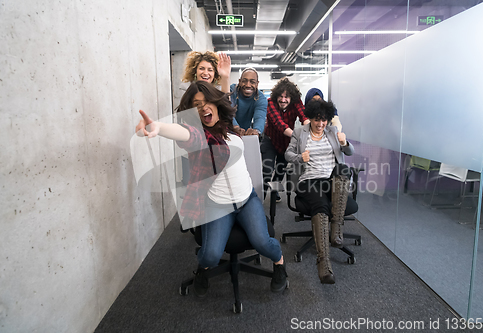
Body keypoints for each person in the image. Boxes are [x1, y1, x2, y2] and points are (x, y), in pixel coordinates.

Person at [135, 81, 287, 297]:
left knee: (262, 242)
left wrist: (224, 76)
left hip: (246, 199)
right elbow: (184, 133)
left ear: (216, 103)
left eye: (207, 102)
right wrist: (157, 128)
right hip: (217, 204)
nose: (204, 107)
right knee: (210, 256)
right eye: (197, 105)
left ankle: (280, 263)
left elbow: (226, 98)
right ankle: (202, 270)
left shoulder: (229, 127)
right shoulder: (199, 137)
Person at [285, 99, 355, 284]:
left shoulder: (332, 132)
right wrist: (300, 157)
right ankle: (323, 263)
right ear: (310, 118)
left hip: (331, 180)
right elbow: (288, 154)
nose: (321, 124)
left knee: (344, 170)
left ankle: (337, 231)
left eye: (324, 120)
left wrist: (345, 142)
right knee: (321, 204)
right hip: (308, 180)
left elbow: (350, 152)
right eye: (317, 120)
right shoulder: (300, 133)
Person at [261, 77, 310, 201]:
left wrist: (311, 132)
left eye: (286, 97)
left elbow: (304, 117)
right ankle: (261, 195)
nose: (283, 100)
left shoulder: (296, 102)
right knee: (267, 169)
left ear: (291, 97)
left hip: (286, 142)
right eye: (281, 97)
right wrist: (297, 137)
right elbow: (279, 124)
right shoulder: (270, 103)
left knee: (280, 170)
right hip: (270, 140)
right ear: (276, 96)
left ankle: (274, 192)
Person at [229, 67, 267, 136]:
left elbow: (260, 117)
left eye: (252, 82)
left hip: (245, 133)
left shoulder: (260, 98)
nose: (248, 85)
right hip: (227, 131)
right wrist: (236, 127)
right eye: (244, 81)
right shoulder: (231, 91)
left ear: (257, 84)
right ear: (239, 81)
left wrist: (256, 130)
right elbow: (228, 111)